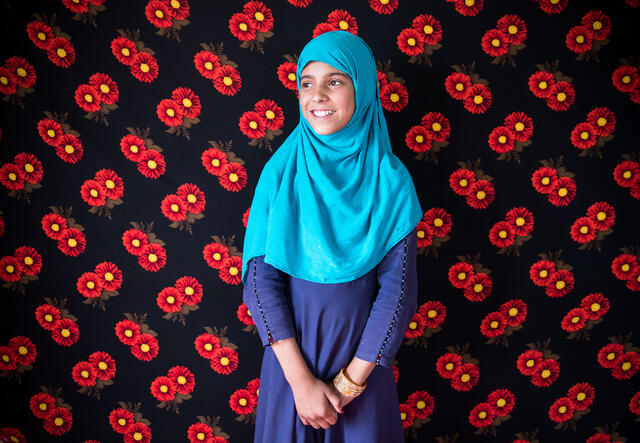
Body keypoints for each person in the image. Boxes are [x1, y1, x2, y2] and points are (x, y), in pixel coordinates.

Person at [241, 30, 423, 443]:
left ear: (362, 88)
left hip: (363, 370)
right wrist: (302, 384)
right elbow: (259, 281)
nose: (317, 95)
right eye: (307, 83)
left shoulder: (391, 182)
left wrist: (347, 386)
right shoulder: (281, 173)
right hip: (291, 370)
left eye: (335, 82)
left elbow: (398, 292)